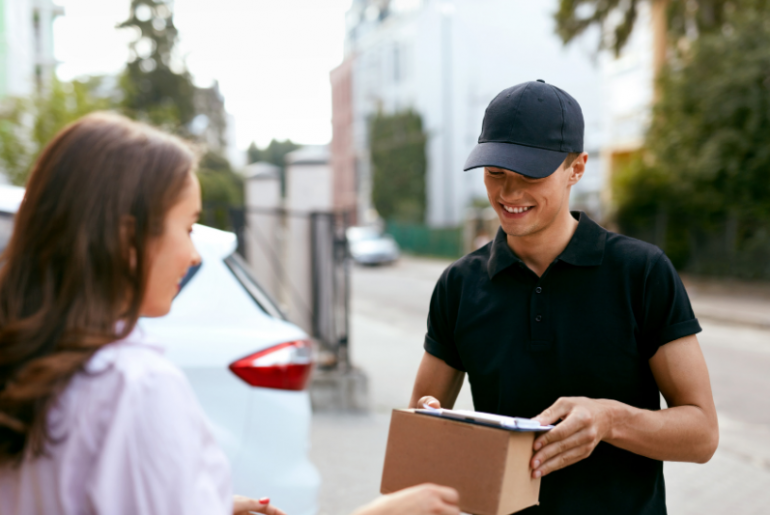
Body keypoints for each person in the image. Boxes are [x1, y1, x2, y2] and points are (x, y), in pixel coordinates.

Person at [0, 113, 460, 515]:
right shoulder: (133, 387)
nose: (194, 255)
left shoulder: (33, 363)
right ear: (128, 240)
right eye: (185, 227)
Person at [409, 80, 719, 514]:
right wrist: (433, 431)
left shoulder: (642, 273)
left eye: (530, 174)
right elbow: (423, 427)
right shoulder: (458, 285)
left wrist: (610, 420)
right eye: (495, 172)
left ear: (577, 168)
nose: (508, 193)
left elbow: (702, 435)